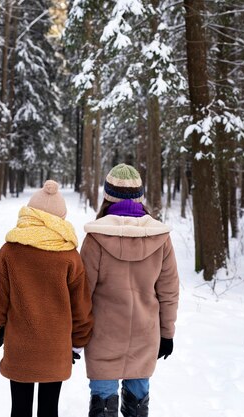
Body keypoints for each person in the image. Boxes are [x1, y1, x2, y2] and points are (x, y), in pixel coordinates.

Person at [0, 180, 94, 417]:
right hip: (56, 349)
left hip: (21, 349)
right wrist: (78, 342)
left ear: (30, 213)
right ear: (60, 219)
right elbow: (81, 307)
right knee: (49, 410)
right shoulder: (70, 256)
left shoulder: (10, 251)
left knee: (19, 409)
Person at [80, 163, 179, 417]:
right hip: (145, 336)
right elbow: (169, 292)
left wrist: (76, 337)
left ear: (107, 196)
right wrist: (166, 333)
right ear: (140, 197)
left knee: (102, 405)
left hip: (103, 337)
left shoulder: (95, 238)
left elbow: (82, 294)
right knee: (137, 407)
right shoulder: (160, 238)